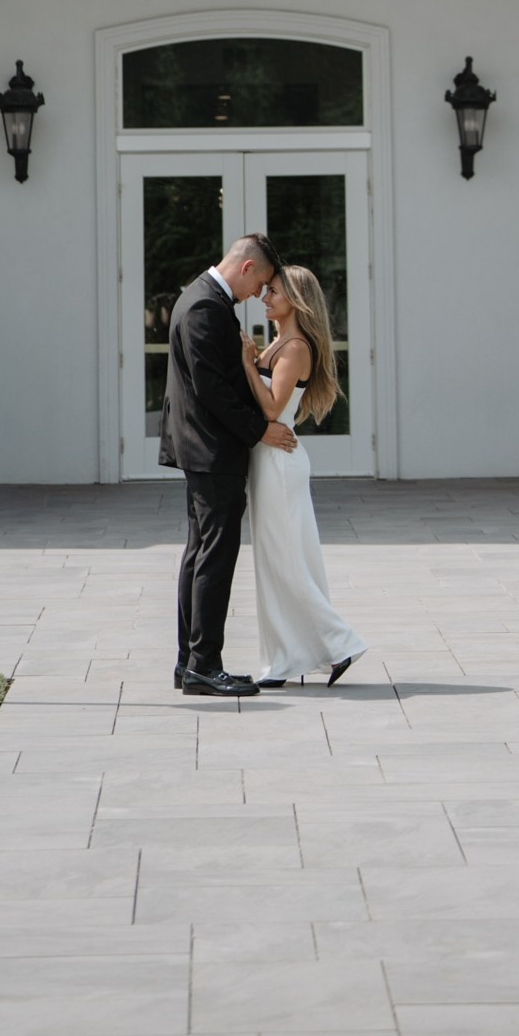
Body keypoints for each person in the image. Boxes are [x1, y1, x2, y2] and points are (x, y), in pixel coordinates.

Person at [157, 231, 297, 697]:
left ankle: (190, 662)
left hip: (204, 448)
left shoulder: (200, 298)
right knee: (213, 556)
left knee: (200, 553)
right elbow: (210, 388)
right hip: (211, 449)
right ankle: (202, 663)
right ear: (247, 268)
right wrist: (260, 430)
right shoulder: (204, 307)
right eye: (260, 285)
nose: (258, 295)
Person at [240, 263, 366, 687]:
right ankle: (285, 660)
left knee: (286, 563)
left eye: (273, 291)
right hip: (268, 459)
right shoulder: (279, 343)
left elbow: (273, 408)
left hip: (279, 463)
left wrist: (245, 362)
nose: (264, 297)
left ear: (295, 298)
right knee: (276, 564)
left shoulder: (294, 347)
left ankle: (341, 643)